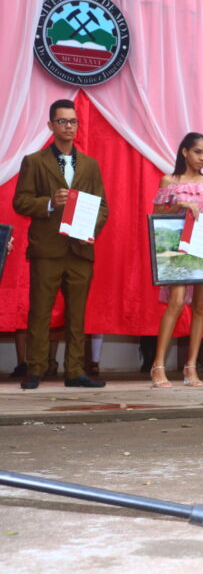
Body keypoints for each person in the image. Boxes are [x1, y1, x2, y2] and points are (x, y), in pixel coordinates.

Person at [13, 98, 108, 389]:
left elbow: (103, 207)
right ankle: (36, 369)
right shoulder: (34, 161)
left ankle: (75, 371)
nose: (69, 126)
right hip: (47, 249)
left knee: (77, 314)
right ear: (51, 125)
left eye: (73, 121)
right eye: (63, 121)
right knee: (40, 311)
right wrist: (50, 204)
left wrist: (87, 227)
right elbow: (21, 201)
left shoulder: (90, 165)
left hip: (80, 248)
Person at [149, 133, 203, 388]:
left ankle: (191, 366)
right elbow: (156, 218)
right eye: (197, 152)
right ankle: (158, 365)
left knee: (201, 307)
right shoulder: (170, 180)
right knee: (177, 301)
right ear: (184, 152)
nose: (201, 158)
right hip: (177, 249)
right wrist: (178, 205)